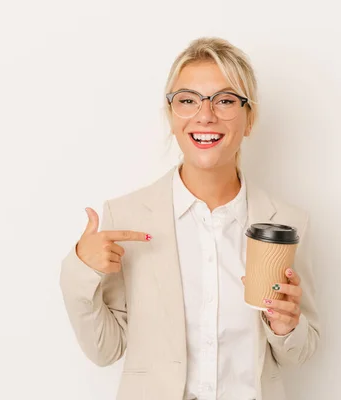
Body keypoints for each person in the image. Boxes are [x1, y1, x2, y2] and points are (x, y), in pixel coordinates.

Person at [59, 37, 321, 400]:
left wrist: (286, 328)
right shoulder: (128, 218)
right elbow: (105, 349)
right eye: (188, 100)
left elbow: (301, 352)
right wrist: (79, 268)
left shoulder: (288, 223)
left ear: (250, 118)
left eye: (226, 100)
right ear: (171, 116)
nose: (205, 114)